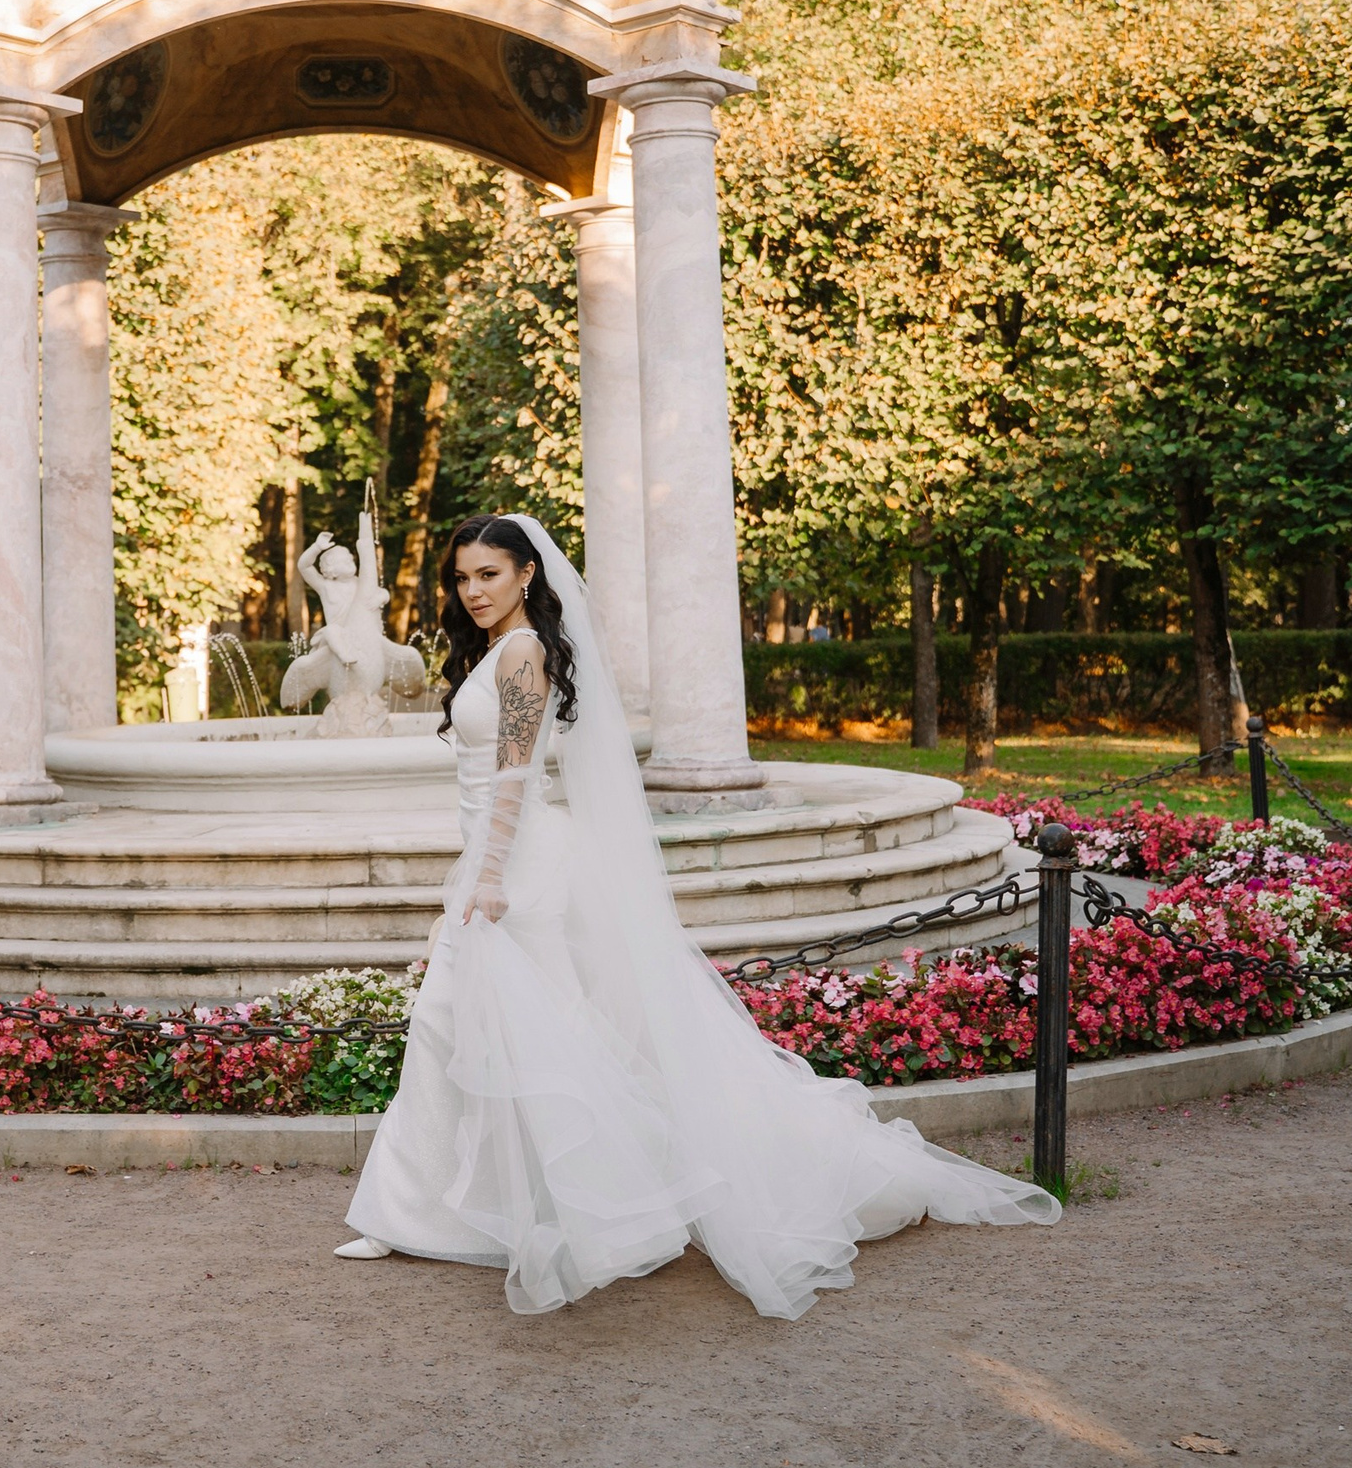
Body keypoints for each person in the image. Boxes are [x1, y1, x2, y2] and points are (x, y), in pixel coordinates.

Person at [336, 513, 1059, 1319]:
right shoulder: (492, 651)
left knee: (504, 1034)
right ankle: (430, 1211)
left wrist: (492, 878)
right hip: (494, 862)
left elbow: (512, 777)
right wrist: (471, 869)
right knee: (484, 1033)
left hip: (520, 869)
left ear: (527, 576)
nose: (472, 591)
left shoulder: (526, 653)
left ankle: (470, 1211)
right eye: (463, 578)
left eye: (488, 576)